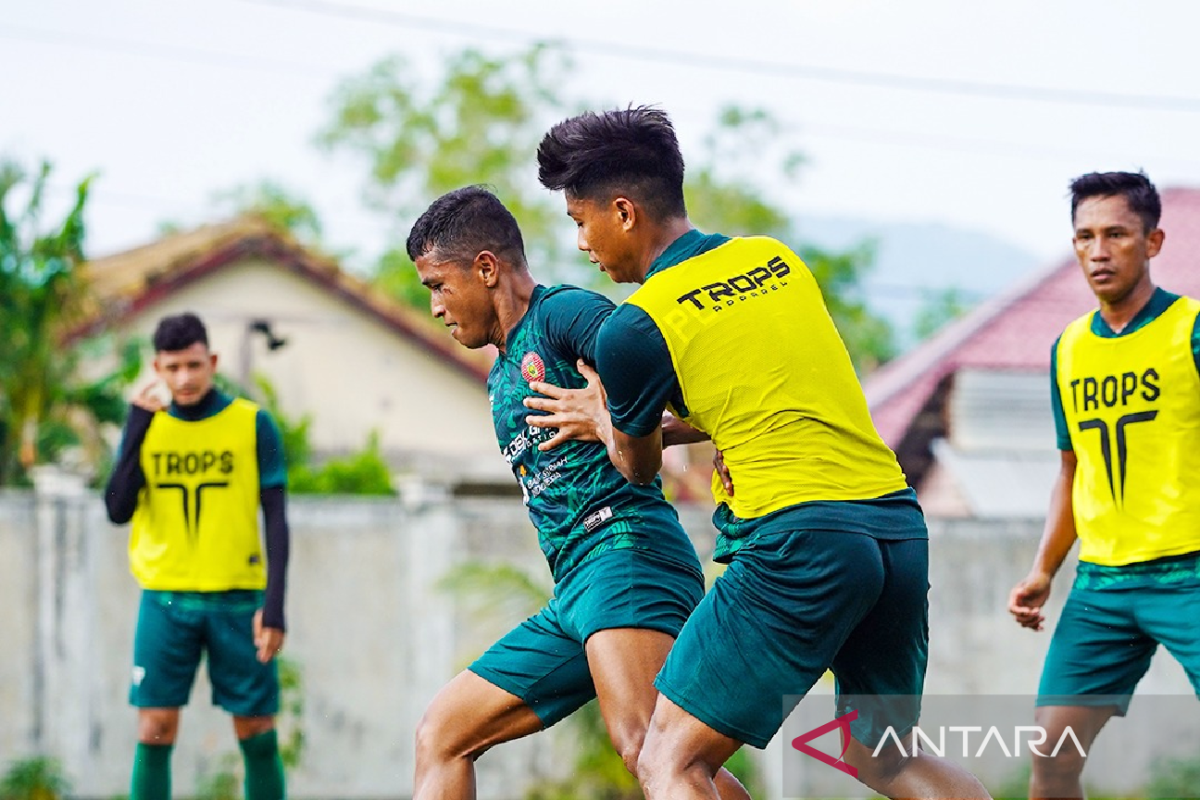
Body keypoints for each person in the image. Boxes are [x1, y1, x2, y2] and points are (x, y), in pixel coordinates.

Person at [532, 106, 991, 800]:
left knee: (668, 761)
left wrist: (603, 417)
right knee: (884, 758)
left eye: (578, 220)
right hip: (894, 527)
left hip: (796, 540)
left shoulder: (636, 326)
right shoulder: (774, 261)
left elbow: (639, 464)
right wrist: (644, 420)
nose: (582, 244)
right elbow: (755, 401)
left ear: (622, 212)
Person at [404, 186, 749, 800]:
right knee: (443, 734)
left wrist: (715, 428)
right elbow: (633, 418)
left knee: (652, 749)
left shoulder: (562, 318)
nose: (435, 307)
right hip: (574, 589)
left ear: (486, 269)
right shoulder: (504, 365)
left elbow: (680, 371)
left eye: (437, 285)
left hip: (626, 553)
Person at [1007, 171, 1200, 799]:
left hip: (1190, 573)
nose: (1098, 250)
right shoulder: (1068, 350)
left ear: (1153, 242)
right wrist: (1044, 571)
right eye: (1085, 236)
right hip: (1103, 584)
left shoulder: (1190, 332)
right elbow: (1072, 468)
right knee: (1051, 755)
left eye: (1116, 234)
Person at [105, 312, 290, 800]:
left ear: (211, 361)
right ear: (157, 368)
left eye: (192, 365)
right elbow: (117, 509)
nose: (184, 378)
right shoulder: (145, 425)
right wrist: (136, 425)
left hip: (238, 601)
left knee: (257, 732)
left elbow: (276, 518)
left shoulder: (253, 423)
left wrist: (274, 608)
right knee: (155, 729)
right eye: (172, 368)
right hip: (164, 601)